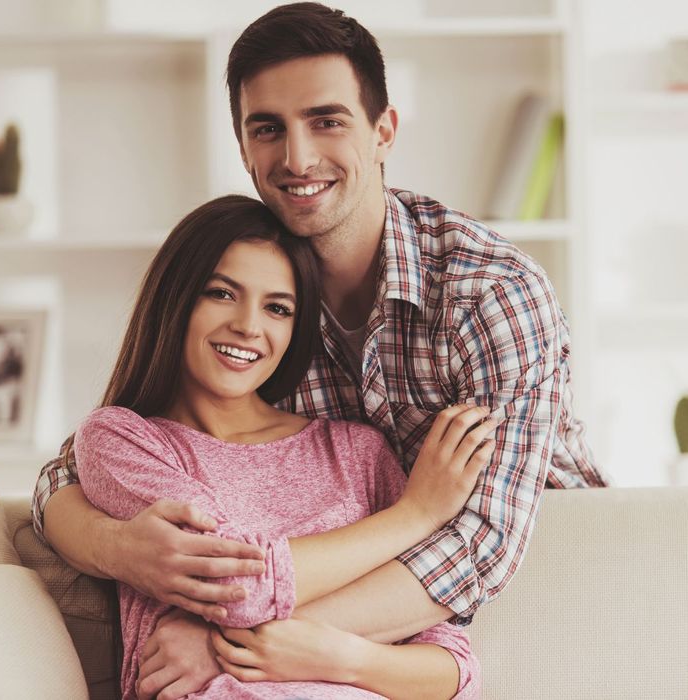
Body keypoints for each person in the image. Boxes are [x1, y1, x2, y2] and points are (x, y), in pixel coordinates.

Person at [32, 1, 608, 696]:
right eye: (268, 129)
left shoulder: (489, 295)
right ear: (243, 148)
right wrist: (120, 548)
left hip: (542, 576)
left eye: (326, 120)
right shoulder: (262, 307)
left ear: (383, 131)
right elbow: (69, 470)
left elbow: (476, 545)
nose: (297, 158)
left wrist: (232, 644)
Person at [73, 194, 489, 699]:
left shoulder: (359, 453)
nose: (249, 326)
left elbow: (453, 670)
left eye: (277, 307)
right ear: (174, 299)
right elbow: (235, 586)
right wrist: (415, 515)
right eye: (221, 293)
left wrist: (343, 658)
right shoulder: (124, 441)